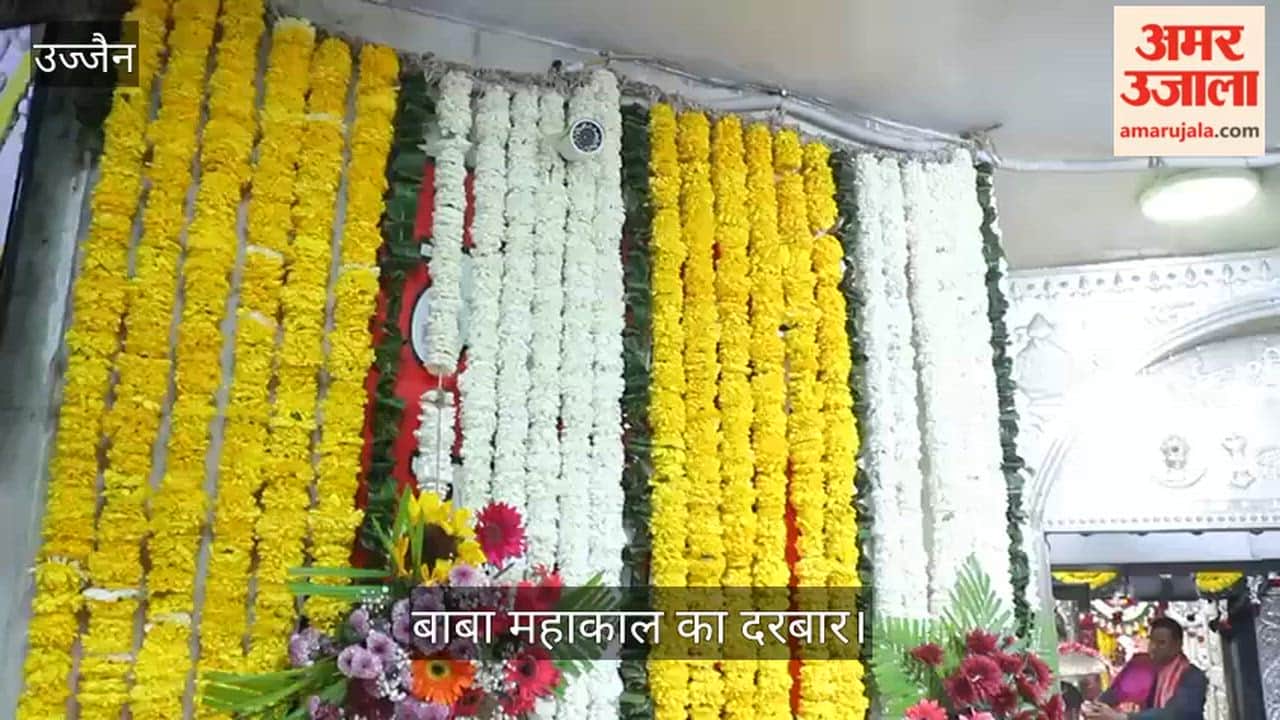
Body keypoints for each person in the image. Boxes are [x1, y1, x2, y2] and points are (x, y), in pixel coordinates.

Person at [1083, 617, 1208, 719]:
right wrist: (1094, 708)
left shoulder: (1192, 676)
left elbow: (1175, 715)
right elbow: (1115, 694)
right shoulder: (1142, 667)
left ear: (1178, 644)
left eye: (1161, 643)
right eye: (1151, 641)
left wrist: (1122, 717)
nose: (1153, 647)